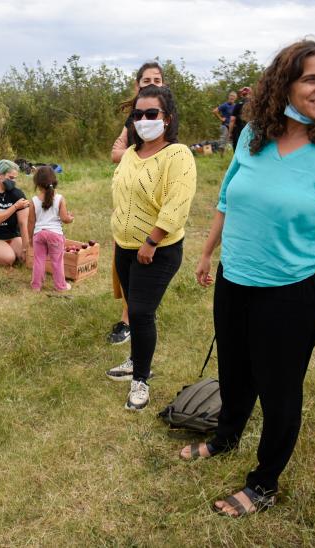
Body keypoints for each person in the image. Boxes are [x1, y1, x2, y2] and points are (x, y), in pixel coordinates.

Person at [179, 39, 315, 518]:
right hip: (234, 281)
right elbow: (228, 197)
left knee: (279, 391)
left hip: (291, 294)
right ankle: (225, 438)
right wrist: (207, 253)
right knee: (235, 372)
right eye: (312, 78)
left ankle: (264, 482)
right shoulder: (253, 135)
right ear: (283, 83)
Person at [106, 85, 197, 411]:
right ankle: (135, 360)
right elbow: (123, 195)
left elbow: (177, 205)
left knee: (142, 313)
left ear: (167, 118)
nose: (144, 120)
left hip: (156, 250)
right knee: (134, 306)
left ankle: (140, 381)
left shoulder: (178, 155)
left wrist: (151, 241)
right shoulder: (130, 154)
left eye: (151, 114)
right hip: (125, 246)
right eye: (138, 114)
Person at [107, 61, 166, 345]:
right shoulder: (133, 119)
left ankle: (138, 317)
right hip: (130, 199)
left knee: (149, 263)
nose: (151, 83)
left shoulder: (166, 119)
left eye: (157, 79)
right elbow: (115, 152)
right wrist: (136, 154)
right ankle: (128, 317)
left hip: (156, 202)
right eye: (146, 80)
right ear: (137, 85)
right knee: (127, 264)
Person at [27, 166, 74, 292]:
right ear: (54, 181)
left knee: (38, 260)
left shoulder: (33, 201)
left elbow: (31, 222)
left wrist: (31, 238)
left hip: (39, 235)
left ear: (37, 184)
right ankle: (60, 286)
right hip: (55, 235)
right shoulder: (59, 199)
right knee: (57, 261)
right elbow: (64, 218)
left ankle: (36, 286)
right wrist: (71, 218)